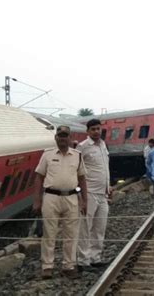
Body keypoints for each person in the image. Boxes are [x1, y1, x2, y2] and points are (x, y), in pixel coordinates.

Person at [33, 125, 88, 279]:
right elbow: (39, 177)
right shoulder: (47, 155)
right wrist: (37, 200)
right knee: (49, 234)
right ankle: (47, 267)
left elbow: (82, 179)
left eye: (65, 135)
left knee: (71, 234)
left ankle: (68, 266)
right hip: (51, 197)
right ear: (56, 137)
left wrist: (84, 200)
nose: (62, 138)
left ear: (70, 138)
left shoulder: (77, 156)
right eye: (60, 135)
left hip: (71, 198)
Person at [77, 119, 112, 270]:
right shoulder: (82, 147)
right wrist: (81, 195)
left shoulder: (103, 145)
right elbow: (76, 170)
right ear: (88, 131)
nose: (96, 131)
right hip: (89, 192)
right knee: (85, 228)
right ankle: (82, 261)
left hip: (103, 194)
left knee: (99, 228)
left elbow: (105, 168)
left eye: (98, 129)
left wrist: (108, 186)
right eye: (93, 129)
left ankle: (95, 258)